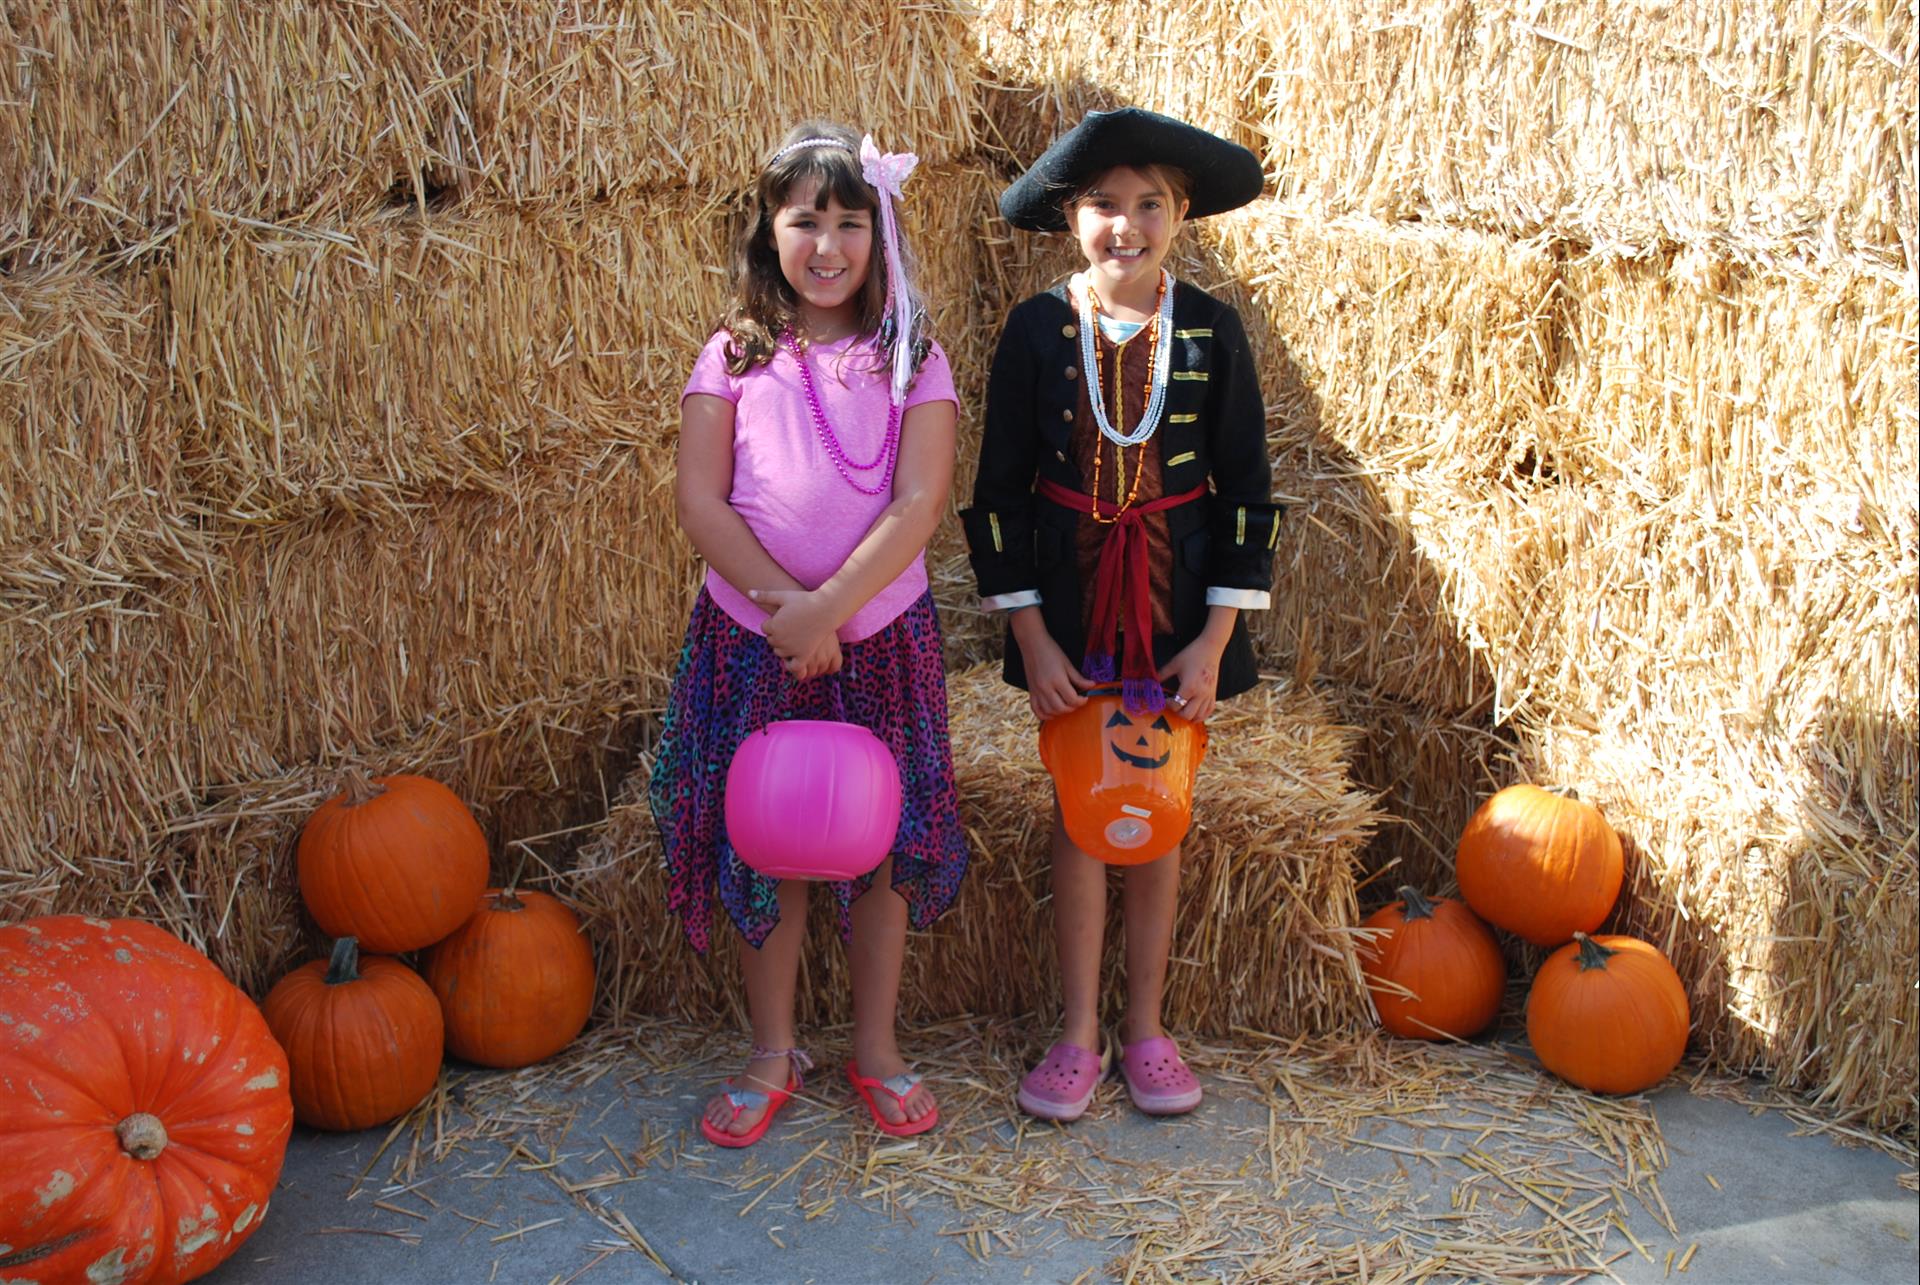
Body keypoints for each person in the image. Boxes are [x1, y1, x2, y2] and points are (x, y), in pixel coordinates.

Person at [651, 120, 966, 1146]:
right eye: (804, 222)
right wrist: (789, 612)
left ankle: (875, 1045)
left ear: (880, 235)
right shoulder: (733, 353)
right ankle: (772, 1046)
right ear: (769, 232)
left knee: (877, 844)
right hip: (752, 638)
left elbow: (919, 500)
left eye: (848, 222)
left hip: (879, 637)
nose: (826, 245)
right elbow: (703, 502)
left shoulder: (914, 354)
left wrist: (830, 608)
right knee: (768, 839)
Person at [960, 107, 1279, 1121]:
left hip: (1177, 608)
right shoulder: (1035, 330)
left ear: (1180, 216)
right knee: (1082, 812)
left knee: (1160, 807)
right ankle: (1077, 1032)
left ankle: (1146, 1026)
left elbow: (1247, 492)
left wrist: (1214, 640)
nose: (1125, 225)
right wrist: (1032, 635)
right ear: (1070, 216)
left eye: (1149, 204)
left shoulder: (1215, 330)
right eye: (1104, 204)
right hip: (1071, 604)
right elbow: (998, 495)